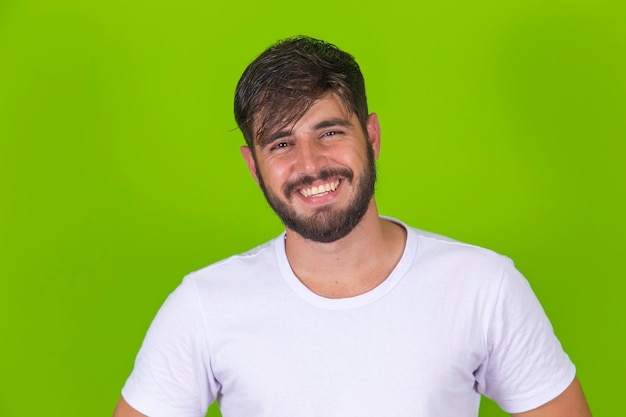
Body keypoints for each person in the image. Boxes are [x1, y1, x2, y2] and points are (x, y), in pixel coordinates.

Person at [113, 36, 592, 417]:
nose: (311, 164)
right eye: (281, 144)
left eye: (330, 132)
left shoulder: (483, 286)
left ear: (372, 136)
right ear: (254, 167)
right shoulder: (204, 305)